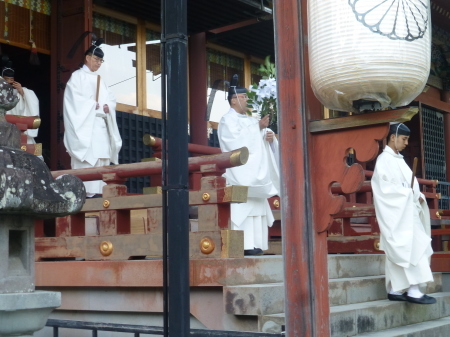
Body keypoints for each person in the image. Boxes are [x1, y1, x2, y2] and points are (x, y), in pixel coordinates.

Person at [371, 122, 436, 305]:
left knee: (406, 250)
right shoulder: (383, 160)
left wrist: (418, 195)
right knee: (411, 249)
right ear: (393, 137)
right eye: (404, 139)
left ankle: (395, 289)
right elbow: (384, 190)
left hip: (407, 212)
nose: (406, 143)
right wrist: (408, 194)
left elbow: (410, 186)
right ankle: (414, 290)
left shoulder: (399, 160)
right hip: (398, 215)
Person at [218, 76, 280, 256]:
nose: (246, 100)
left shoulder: (252, 120)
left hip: (256, 170)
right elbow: (233, 142)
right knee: (243, 206)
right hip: (241, 172)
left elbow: (258, 141)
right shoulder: (226, 120)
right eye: (244, 97)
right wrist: (257, 129)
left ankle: (257, 243)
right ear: (234, 99)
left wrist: (269, 138)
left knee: (257, 205)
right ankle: (244, 245)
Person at [63, 38, 122, 197]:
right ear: (87, 58)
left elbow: (111, 99)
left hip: (100, 125)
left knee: (101, 159)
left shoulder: (100, 81)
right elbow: (73, 100)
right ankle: (85, 193)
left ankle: (99, 193)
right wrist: (90, 105)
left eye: (101, 61)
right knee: (87, 160)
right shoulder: (77, 77)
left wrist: (107, 106)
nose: (99, 63)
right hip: (86, 126)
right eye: (96, 59)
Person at [1, 62, 40, 145]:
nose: (8, 83)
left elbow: (32, 100)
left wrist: (22, 91)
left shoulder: (19, 92)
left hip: (18, 130)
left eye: (11, 80)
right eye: (6, 80)